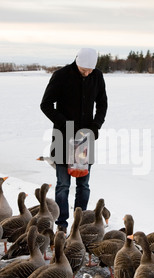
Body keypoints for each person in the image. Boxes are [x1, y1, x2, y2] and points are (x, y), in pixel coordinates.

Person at [40, 48, 108, 233]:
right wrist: (65, 124)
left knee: (83, 185)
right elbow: (45, 105)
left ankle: (81, 224)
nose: (87, 73)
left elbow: (102, 104)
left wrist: (96, 126)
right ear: (77, 62)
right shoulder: (61, 76)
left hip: (86, 138)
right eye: (84, 70)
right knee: (63, 184)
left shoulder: (97, 77)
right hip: (63, 136)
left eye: (90, 70)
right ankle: (62, 224)